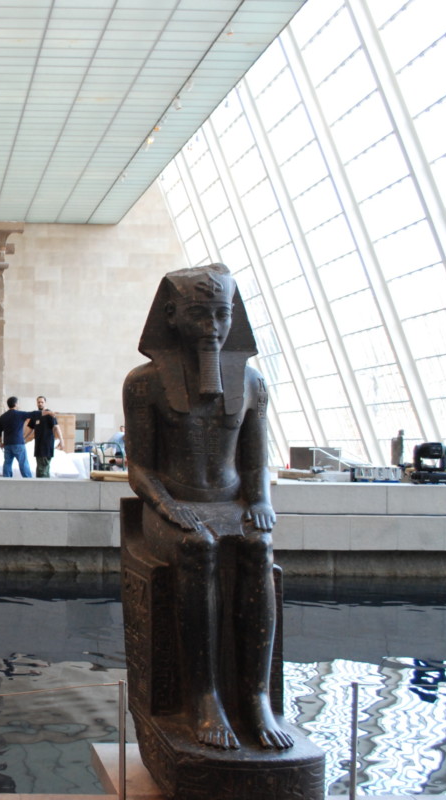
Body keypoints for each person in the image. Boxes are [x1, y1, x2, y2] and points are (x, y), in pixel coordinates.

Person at [124, 263, 291, 751]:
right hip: (174, 502)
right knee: (198, 547)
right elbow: (140, 468)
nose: (212, 328)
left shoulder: (252, 382)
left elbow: (255, 463)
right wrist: (166, 505)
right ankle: (204, 698)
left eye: (221, 315)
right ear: (172, 316)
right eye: (199, 315)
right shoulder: (145, 383)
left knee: (259, 547)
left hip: (230, 501)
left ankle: (255, 697)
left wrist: (259, 500)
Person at [0, 396, 40, 478]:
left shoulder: (3, 417)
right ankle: (28, 479)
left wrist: (0, 442)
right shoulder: (20, 414)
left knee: (7, 463)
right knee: (23, 463)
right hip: (18, 443)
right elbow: (33, 414)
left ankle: (6, 479)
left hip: (7, 444)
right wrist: (46, 412)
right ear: (16, 404)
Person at [26, 396, 63, 478]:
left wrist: (62, 442)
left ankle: (43, 484)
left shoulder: (50, 414)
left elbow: (57, 427)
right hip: (38, 446)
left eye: (42, 402)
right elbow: (30, 429)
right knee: (40, 468)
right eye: (38, 402)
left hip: (46, 445)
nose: (40, 404)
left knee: (43, 469)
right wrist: (23, 438)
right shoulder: (36, 415)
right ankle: (42, 484)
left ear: (45, 403)